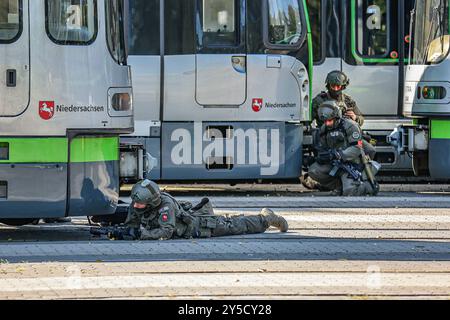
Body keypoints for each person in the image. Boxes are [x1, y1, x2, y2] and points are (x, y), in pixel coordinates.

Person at [116, 180, 289, 241]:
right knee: (229, 219)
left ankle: (266, 218)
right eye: (135, 203)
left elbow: (166, 232)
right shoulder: (138, 202)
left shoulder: (165, 205)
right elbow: (132, 223)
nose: (135, 207)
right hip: (187, 224)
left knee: (235, 225)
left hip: (201, 226)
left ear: (152, 202)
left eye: (140, 205)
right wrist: (122, 232)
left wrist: (141, 234)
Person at [301, 70, 376, 190]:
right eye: (333, 86)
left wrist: (355, 117)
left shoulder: (348, 101)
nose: (335, 89)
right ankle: (332, 184)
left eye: (338, 86)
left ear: (343, 86)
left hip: (347, 136)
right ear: (328, 85)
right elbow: (307, 120)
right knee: (321, 165)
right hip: (328, 139)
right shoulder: (319, 101)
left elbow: (361, 118)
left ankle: (362, 178)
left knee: (370, 150)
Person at [307, 101, 380, 196]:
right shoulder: (324, 129)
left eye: (330, 121)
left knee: (350, 191)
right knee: (314, 170)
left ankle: (368, 187)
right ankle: (339, 187)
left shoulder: (350, 126)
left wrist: (339, 154)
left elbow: (357, 147)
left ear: (336, 117)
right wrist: (317, 158)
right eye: (325, 121)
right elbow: (323, 147)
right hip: (336, 164)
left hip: (353, 164)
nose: (327, 124)